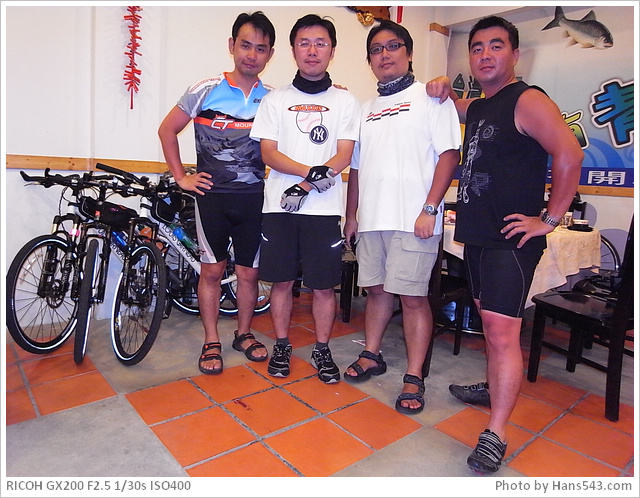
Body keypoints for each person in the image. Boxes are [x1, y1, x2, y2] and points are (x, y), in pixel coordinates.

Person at [426, 16, 583, 473]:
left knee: (501, 332)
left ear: (515, 54)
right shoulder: (480, 107)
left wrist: (548, 219)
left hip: (510, 240)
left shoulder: (527, 99)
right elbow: (451, 104)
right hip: (478, 233)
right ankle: (495, 387)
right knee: (490, 323)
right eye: (477, 48)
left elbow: (570, 153)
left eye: (496, 46)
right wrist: (442, 88)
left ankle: (496, 431)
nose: (485, 54)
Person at [342, 20, 461, 415]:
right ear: (369, 61)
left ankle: (414, 374)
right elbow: (356, 168)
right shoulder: (365, 109)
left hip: (415, 221)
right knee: (376, 292)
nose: (385, 55)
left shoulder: (432, 97)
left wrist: (430, 208)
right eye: (376, 50)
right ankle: (372, 354)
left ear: (409, 53)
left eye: (393, 46)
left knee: (412, 297)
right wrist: (352, 216)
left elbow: (449, 155)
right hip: (372, 219)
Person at [158, 12, 276, 375]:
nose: (251, 55)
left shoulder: (273, 99)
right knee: (211, 271)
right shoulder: (204, 89)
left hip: (254, 199)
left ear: (270, 54)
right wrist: (181, 177)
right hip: (212, 199)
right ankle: (211, 340)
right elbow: (167, 130)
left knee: (249, 275)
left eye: (260, 48)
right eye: (245, 45)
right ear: (231, 46)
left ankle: (244, 333)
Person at [250, 14, 361, 383]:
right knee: (281, 282)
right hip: (278, 208)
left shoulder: (346, 101)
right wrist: (308, 175)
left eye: (320, 43)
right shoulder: (275, 100)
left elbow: (343, 155)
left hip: (324, 211)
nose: (312, 50)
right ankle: (282, 345)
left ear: (332, 50)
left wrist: (307, 187)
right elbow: (269, 153)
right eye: (304, 43)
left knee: (324, 286)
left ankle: (322, 349)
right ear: (293, 50)